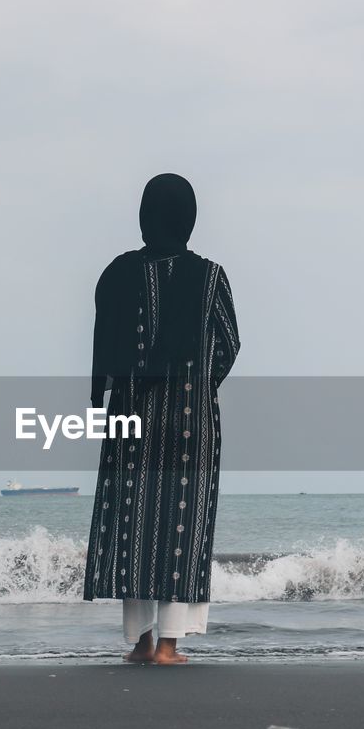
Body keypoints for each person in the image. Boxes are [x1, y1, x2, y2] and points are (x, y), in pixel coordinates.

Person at [82, 173, 240, 664]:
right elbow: (228, 344)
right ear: (189, 217)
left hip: (130, 415)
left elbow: (104, 342)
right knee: (180, 523)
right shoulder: (210, 275)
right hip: (189, 417)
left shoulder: (117, 273)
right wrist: (195, 384)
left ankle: (141, 642)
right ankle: (169, 645)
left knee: (132, 519)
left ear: (145, 215)